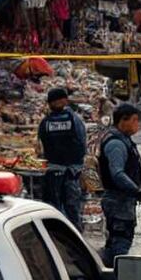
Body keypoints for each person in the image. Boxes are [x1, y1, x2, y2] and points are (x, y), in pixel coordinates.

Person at [99, 103, 141, 265]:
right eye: (134, 120)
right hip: (118, 201)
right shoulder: (116, 144)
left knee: (116, 242)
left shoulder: (124, 140)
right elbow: (117, 173)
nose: (137, 125)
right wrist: (136, 190)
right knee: (120, 244)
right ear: (122, 121)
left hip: (122, 201)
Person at [37, 87, 86, 230]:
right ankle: (75, 236)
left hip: (53, 171)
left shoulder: (45, 122)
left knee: (55, 208)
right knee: (72, 207)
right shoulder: (74, 119)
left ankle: (59, 236)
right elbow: (82, 142)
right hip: (71, 171)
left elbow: (40, 146)